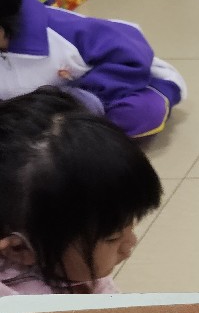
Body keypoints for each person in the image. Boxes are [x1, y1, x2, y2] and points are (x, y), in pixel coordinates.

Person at [0, 87, 162, 294]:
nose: (130, 243)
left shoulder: (63, 254)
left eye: (131, 224)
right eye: (112, 238)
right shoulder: (27, 307)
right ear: (19, 249)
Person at [0, 0, 185, 138]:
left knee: (139, 112)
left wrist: (85, 98)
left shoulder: (63, 30)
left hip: (118, 88)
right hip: (41, 111)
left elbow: (132, 52)